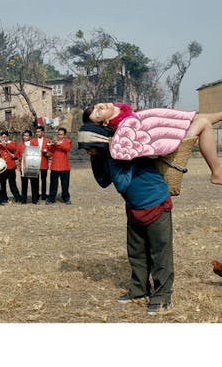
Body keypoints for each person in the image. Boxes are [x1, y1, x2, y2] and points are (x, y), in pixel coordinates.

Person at [78, 122, 174, 315]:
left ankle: (162, 296)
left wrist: (115, 153)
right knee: (136, 252)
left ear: (99, 144)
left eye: (90, 149)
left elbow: (122, 183)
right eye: (86, 151)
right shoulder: (105, 154)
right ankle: (139, 290)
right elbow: (104, 181)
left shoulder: (128, 150)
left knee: (159, 253)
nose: (88, 153)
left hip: (155, 202)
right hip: (134, 207)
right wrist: (98, 158)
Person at [84, 102, 222, 212]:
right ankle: (217, 173)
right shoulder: (122, 134)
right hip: (166, 147)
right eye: (98, 113)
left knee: (198, 119)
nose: (99, 106)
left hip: (162, 140)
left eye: (97, 106)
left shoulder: (126, 119)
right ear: (104, 124)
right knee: (203, 123)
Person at [0, 130, 22, 203]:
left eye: (5, 137)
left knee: (12, 184)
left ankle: (18, 198)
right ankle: (4, 198)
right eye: (2, 137)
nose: (4, 138)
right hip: (2, 167)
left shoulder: (12, 143)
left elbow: (13, 148)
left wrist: (5, 145)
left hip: (10, 167)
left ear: (8, 137)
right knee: (3, 184)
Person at [46, 127, 72, 205]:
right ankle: (51, 198)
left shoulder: (68, 141)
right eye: (58, 134)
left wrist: (58, 144)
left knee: (65, 184)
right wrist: (47, 152)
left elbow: (67, 148)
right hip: (55, 166)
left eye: (61, 134)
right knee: (53, 184)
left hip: (64, 167)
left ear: (64, 135)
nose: (59, 136)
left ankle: (66, 198)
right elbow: (51, 152)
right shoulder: (55, 142)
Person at [16, 129, 39, 204]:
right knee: (24, 184)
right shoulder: (20, 145)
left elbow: (37, 153)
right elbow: (17, 155)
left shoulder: (34, 143)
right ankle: (24, 200)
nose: (24, 137)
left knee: (34, 184)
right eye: (24, 135)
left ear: (30, 137)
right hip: (24, 167)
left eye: (26, 135)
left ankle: (35, 200)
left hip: (33, 166)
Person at [31, 125, 50, 200]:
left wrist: (47, 154)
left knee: (44, 180)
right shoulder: (33, 141)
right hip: (35, 163)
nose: (37, 133)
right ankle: (36, 195)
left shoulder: (47, 140)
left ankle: (44, 195)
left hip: (44, 163)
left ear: (43, 132)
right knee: (35, 180)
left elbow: (50, 151)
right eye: (36, 132)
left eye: (39, 132)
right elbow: (31, 151)